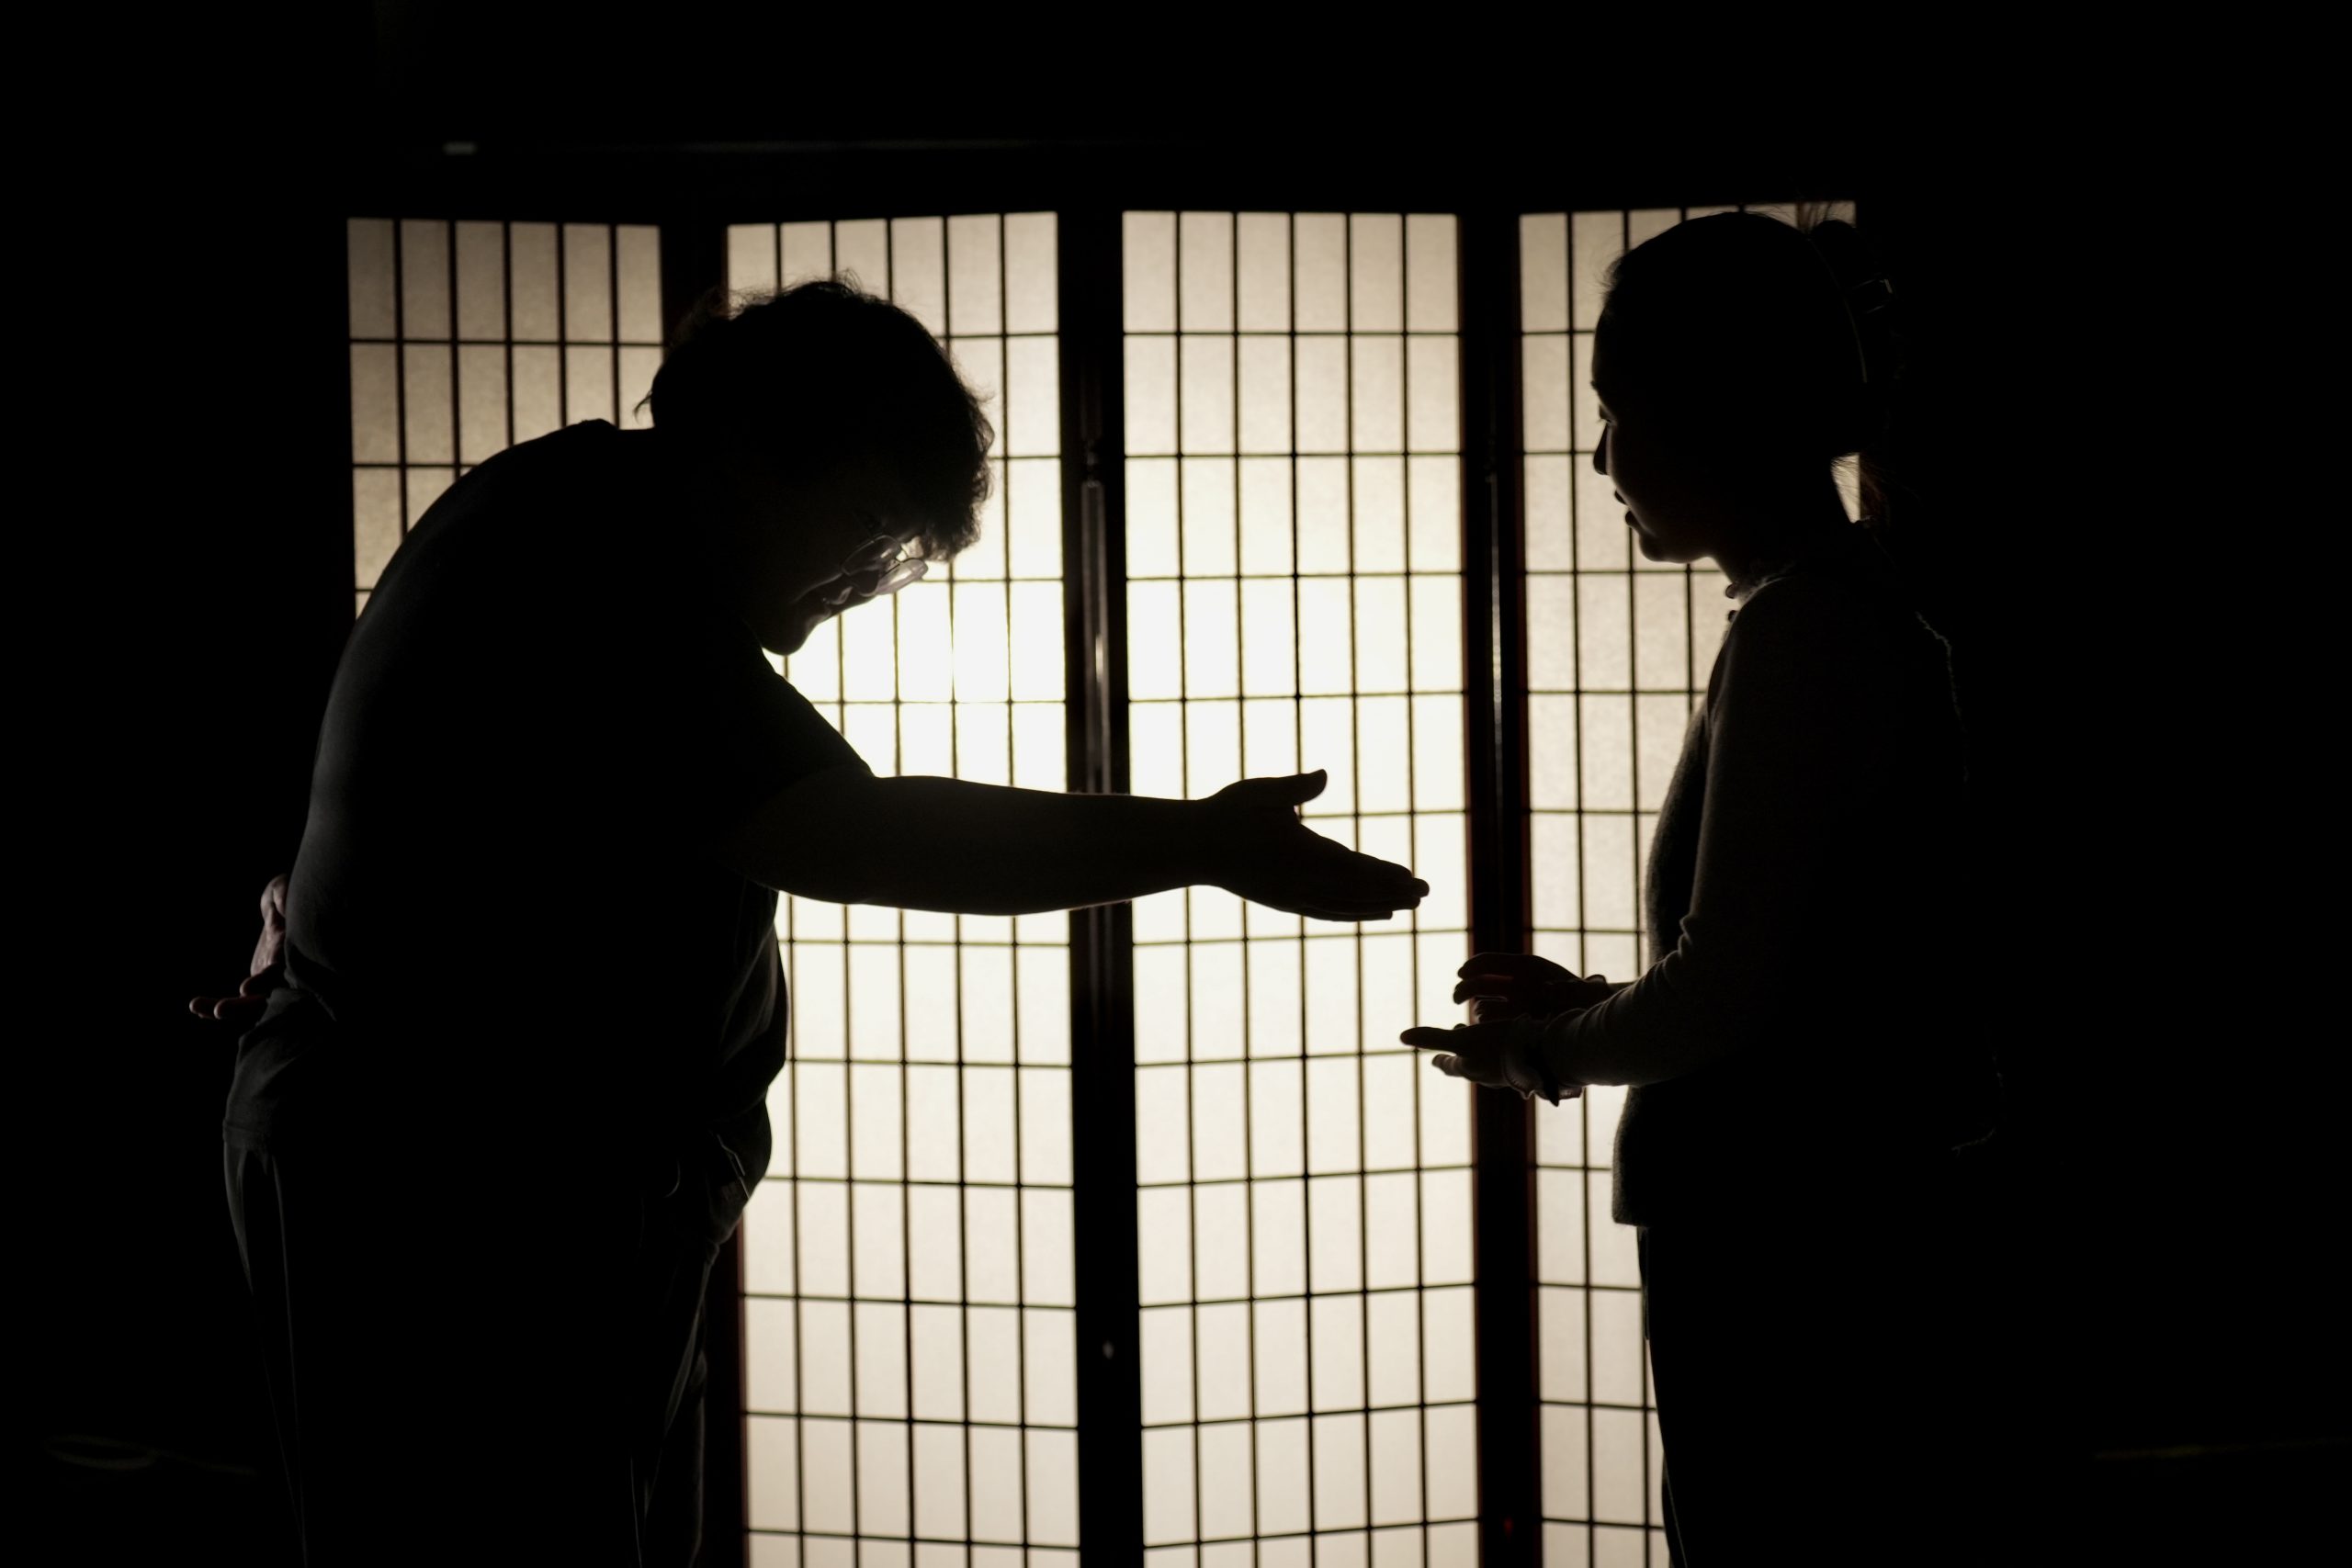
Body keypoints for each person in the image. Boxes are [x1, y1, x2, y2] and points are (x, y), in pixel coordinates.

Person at [200, 278, 1425, 1566]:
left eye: (891, 550)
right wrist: (1197, 842)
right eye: (864, 526)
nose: (868, 580)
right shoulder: (605, 568)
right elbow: (853, 831)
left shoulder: (570, 517)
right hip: (444, 1196)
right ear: (750, 448)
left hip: (495, 1176)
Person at [1403, 210, 2001, 1562]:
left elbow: (1729, 994)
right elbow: (1802, 974)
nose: (1599, 452)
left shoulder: (1808, 634)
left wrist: (1544, 1048)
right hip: (1818, 1217)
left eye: (1618, 411)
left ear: (1707, 412)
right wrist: (1604, 1005)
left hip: (1786, 1241)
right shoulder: (1825, 613)